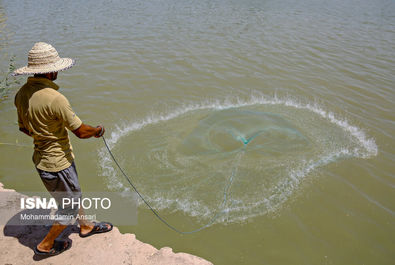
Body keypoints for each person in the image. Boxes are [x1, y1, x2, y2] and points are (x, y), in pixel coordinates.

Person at [13, 42, 113, 256]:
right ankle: (45, 245)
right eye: (55, 67)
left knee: (72, 195)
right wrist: (97, 130)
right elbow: (80, 131)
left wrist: (44, 135)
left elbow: (24, 128)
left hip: (42, 159)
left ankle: (85, 226)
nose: (57, 70)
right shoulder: (56, 99)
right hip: (57, 164)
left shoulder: (21, 94)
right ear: (48, 71)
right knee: (68, 206)